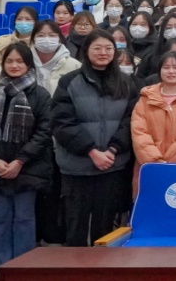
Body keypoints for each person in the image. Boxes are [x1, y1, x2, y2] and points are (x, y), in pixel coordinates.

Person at [52, 30, 137, 247]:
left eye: (108, 48)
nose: (103, 52)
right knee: (76, 228)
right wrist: (91, 150)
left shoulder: (126, 82)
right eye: (97, 48)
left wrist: (112, 150)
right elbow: (62, 122)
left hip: (112, 166)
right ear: (86, 51)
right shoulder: (69, 82)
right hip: (77, 167)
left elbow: (131, 120)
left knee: (105, 229)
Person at [0, 43, 49, 266]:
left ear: (29, 65)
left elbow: (44, 132)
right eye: (9, 61)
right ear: (3, 64)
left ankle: (23, 268)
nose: (14, 65)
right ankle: (2, 267)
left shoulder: (40, 95)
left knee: (24, 219)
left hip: (27, 169)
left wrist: (20, 161)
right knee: (1, 219)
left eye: (20, 61)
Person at [130, 51, 176, 191]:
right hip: (150, 168)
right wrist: (155, 162)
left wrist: (169, 164)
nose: (171, 71)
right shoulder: (146, 98)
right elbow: (139, 132)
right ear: (159, 70)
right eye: (166, 67)